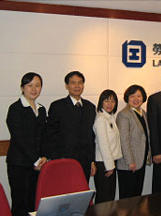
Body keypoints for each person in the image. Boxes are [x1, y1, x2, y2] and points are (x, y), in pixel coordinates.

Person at [6, 72, 48, 216]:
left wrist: (43, 157)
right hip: (19, 164)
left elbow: (44, 136)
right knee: (20, 204)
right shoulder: (15, 109)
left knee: (33, 203)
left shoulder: (41, 109)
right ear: (22, 87)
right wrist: (35, 160)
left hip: (37, 165)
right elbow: (19, 138)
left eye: (37, 85)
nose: (34, 89)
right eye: (30, 85)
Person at [47, 71, 96, 182]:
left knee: (82, 192)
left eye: (80, 83)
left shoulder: (90, 107)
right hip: (64, 160)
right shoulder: (57, 106)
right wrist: (56, 159)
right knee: (65, 194)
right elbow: (51, 135)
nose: (77, 86)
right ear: (66, 86)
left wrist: (92, 161)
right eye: (73, 83)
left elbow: (91, 136)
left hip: (85, 161)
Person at [116, 85, 151, 199]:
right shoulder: (124, 114)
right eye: (132, 96)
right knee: (127, 197)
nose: (136, 99)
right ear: (127, 98)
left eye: (139, 96)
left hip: (140, 161)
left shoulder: (143, 113)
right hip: (129, 164)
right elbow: (124, 140)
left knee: (137, 194)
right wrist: (130, 161)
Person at [93, 89, 122, 203]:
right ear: (101, 102)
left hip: (110, 163)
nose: (110, 104)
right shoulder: (101, 119)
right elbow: (103, 144)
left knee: (109, 196)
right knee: (104, 198)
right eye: (106, 101)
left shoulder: (109, 117)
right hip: (104, 164)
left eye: (113, 101)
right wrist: (109, 165)